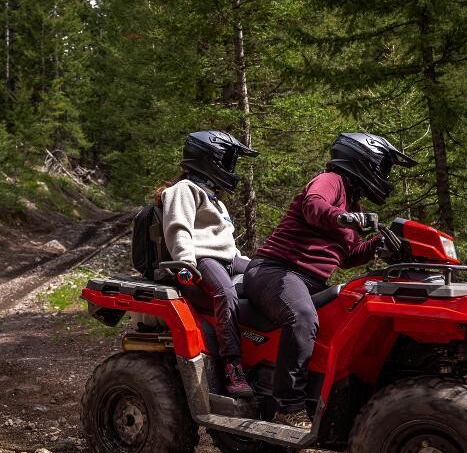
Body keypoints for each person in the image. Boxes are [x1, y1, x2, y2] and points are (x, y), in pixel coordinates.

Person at [243, 132, 416, 427]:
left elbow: (346, 256)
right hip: (276, 271)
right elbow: (314, 206)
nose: (385, 176)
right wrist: (344, 217)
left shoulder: (353, 204)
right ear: (364, 161)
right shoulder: (330, 180)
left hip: (308, 281)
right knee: (301, 317)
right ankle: (288, 406)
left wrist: (377, 245)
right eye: (383, 167)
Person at [159, 130, 258, 397]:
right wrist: (185, 263)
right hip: (203, 259)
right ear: (210, 159)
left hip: (229, 259)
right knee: (226, 294)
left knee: (267, 276)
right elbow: (178, 228)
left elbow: (225, 239)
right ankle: (233, 366)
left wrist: (251, 262)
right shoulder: (183, 190)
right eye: (227, 161)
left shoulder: (213, 196)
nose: (231, 168)